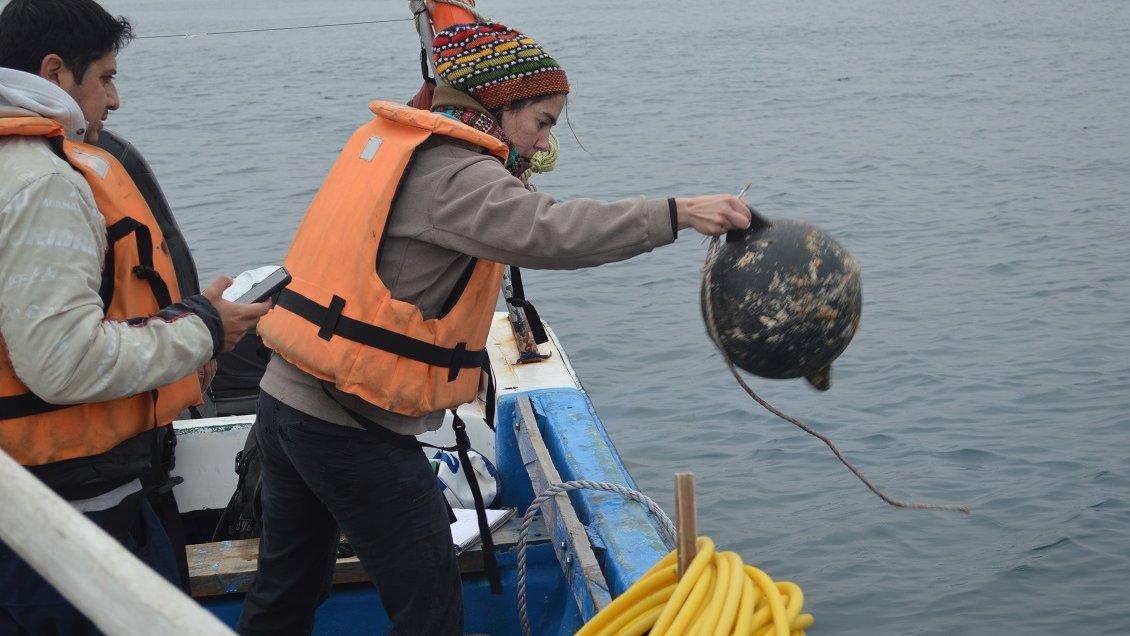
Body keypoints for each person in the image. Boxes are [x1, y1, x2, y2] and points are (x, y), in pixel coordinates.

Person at [238, 21, 756, 636]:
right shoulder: (456, 174)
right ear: (497, 104)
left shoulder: (401, 144)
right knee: (430, 609)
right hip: (349, 424)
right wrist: (677, 213)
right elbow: (551, 231)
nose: (542, 146)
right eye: (541, 122)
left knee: (287, 589)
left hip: (284, 399)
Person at [0, 0, 270, 632]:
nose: (114, 101)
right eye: (106, 78)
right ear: (55, 73)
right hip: (71, 514)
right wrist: (205, 329)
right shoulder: (41, 182)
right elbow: (61, 364)